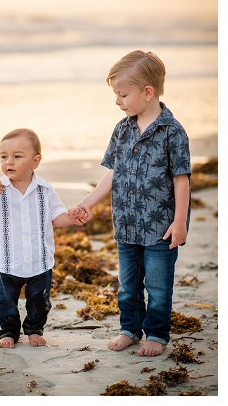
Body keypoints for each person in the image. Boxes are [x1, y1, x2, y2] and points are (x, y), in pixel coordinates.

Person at [75, 50, 190, 357]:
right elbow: (114, 172)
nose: (118, 101)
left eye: (123, 95)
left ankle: (156, 333)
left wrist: (180, 221)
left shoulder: (172, 132)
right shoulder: (122, 129)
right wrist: (89, 201)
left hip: (160, 228)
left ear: (147, 92)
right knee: (128, 286)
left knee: (158, 286)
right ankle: (130, 328)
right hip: (126, 224)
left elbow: (182, 179)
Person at [0, 128, 84, 348]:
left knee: (39, 300)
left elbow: (57, 217)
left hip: (39, 259)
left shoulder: (45, 190)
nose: (9, 162)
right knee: (7, 301)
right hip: (8, 261)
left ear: (35, 161)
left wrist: (71, 217)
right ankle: (8, 331)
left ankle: (34, 329)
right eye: (4, 156)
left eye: (17, 156)